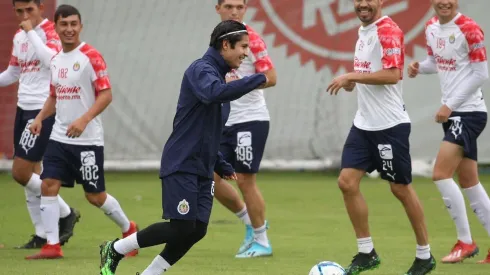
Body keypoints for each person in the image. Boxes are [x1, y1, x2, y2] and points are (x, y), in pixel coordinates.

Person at [99, 20, 268, 275]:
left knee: (197, 230)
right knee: (181, 227)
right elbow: (213, 93)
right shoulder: (201, 70)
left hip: (203, 167)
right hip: (182, 163)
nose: (246, 53)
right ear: (225, 44)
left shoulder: (219, 78)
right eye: (243, 46)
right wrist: (256, 79)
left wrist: (220, 162)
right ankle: (115, 248)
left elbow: (207, 131)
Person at [326, 0, 436, 274]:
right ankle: (367, 253)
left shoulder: (388, 30)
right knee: (347, 182)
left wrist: (351, 75)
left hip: (389, 126)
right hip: (364, 125)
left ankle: (425, 255)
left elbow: (392, 74)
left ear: (380, 1)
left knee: (399, 188)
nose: (363, 4)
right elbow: (370, 74)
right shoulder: (363, 32)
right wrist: (355, 81)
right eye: (358, 0)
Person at [25, 4, 138, 260]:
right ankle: (52, 245)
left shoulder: (91, 56)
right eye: (64, 24)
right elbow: (54, 95)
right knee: (48, 185)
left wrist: (84, 120)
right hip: (59, 137)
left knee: (94, 196)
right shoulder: (55, 60)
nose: (69, 29)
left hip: (87, 140)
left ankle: (128, 230)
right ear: (55, 27)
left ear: (81, 26)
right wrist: (40, 118)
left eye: (73, 24)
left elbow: (106, 94)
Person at [408, 0, 490, 264]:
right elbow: (437, 62)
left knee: (440, 174)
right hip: (455, 113)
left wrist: (450, 104)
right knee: (469, 182)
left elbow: (481, 73)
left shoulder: (470, 28)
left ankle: (465, 241)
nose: (444, 2)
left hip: (468, 113)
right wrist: (419, 67)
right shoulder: (431, 26)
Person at [0, 0, 79, 249]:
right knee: (31, 174)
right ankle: (42, 234)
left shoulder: (49, 32)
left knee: (20, 173)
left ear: (40, 9)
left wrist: (31, 32)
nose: (25, 15)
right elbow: (13, 72)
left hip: (43, 110)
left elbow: (51, 61)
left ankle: (66, 213)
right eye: (20, 11)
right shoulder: (19, 37)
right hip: (24, 109)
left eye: (29, 10)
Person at [214, 0, 276, 258]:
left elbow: (271, 77)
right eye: (229, 6)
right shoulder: (217, 41)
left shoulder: (252, 39)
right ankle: (250, 221)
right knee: (210, 177)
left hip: (250, 120)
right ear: (217, 8)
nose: (235, 11)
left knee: (245, 180)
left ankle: (262, 241)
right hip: (223, 122)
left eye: (240, 6)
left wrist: (238, 84)